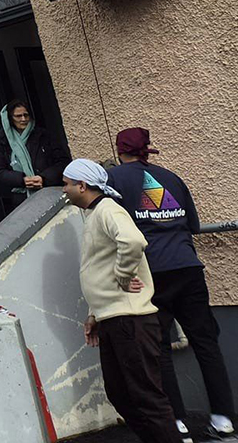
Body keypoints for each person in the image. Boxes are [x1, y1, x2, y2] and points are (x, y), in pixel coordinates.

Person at [107, 129, 235, 439]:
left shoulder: (114, 180)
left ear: (119, 150)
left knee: (158, 347)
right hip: (189, 266)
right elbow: (192, 224)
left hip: (152, 271)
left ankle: (176, 421)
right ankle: (223, 419)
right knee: (206, 342)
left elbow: (115, 228)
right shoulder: (172, 177)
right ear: (147, 150)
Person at [63, 158, 177, 443]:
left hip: (131, 319)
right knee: (120, 393)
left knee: (145, 396)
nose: (63, 189)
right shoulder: (95, 215)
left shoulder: (108, 210)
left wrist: (124, 275)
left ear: (82, 185)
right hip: (113, 318)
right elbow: (99, 268)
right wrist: (94, 314)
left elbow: (133, 241)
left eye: (67, 183)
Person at [0, 99, 70, 209]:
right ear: (10, 119)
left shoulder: (42, 135)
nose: (23, 119)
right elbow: (0, 170)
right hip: (22, 199)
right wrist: (22, 180)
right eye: (18, 116)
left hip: (49, 192)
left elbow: (63, 161)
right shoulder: (3, 142)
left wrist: (43, 178)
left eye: (26, 115)